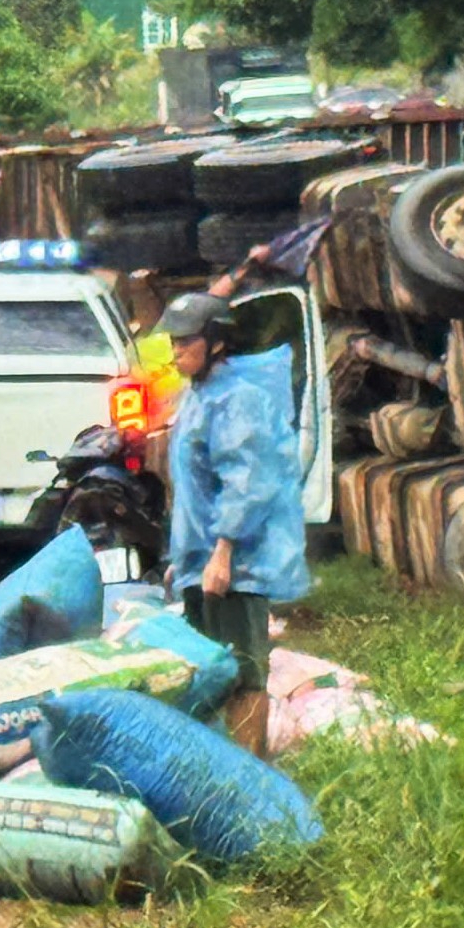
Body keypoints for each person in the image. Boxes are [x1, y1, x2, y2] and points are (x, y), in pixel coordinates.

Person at [156, 291, 310, 698]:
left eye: (186, 341)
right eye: (174, 342)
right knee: (207, 679)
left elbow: (246, 483)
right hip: (202, 565)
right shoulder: (197, 396)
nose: (177, 351)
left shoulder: (238, 400)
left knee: (242, 678)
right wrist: (183, 558)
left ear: (216, 342)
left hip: (234, 571)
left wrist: (223, 553)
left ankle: (249, 743)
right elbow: (194, 489)